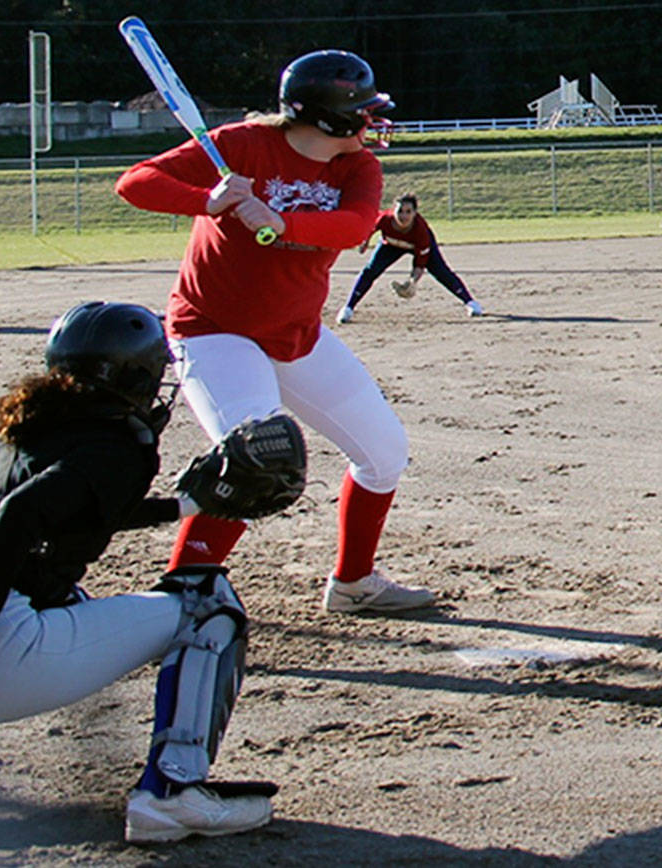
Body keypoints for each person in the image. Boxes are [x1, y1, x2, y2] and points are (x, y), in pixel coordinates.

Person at [114, 49, 438, 614]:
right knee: (252, 461)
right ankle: (182, 600)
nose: (373, 121)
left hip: (295, 333)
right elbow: (135, 182)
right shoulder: (239, 145)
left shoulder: (356, 167)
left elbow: (355, 225)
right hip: (214, 331)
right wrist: (208, 202)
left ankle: (354, 584)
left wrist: (282, 220)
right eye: (363, 111)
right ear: (329, 117)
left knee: (385, 453)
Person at [0, 301, 275, 843]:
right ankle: (174, 793)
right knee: (207, 600)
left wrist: (181, 507)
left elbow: (69, 502)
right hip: (8, 653)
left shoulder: (26, 426)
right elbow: (19, 516)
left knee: (68, 597)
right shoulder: (117, 445)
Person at [336, 191, 482, 324]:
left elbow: (420, 264)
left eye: (408, 212)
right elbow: (370, 227)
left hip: (415, 245)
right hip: (391, 245)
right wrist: (365, 241)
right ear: (394, 211)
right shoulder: (385, 219)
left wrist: (413, 282)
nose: (404, 216)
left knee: (441, 272)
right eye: (400, 211)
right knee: (370, 270)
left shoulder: (421, 231)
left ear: (415, 213)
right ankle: (348, 308)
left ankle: (470, 303)